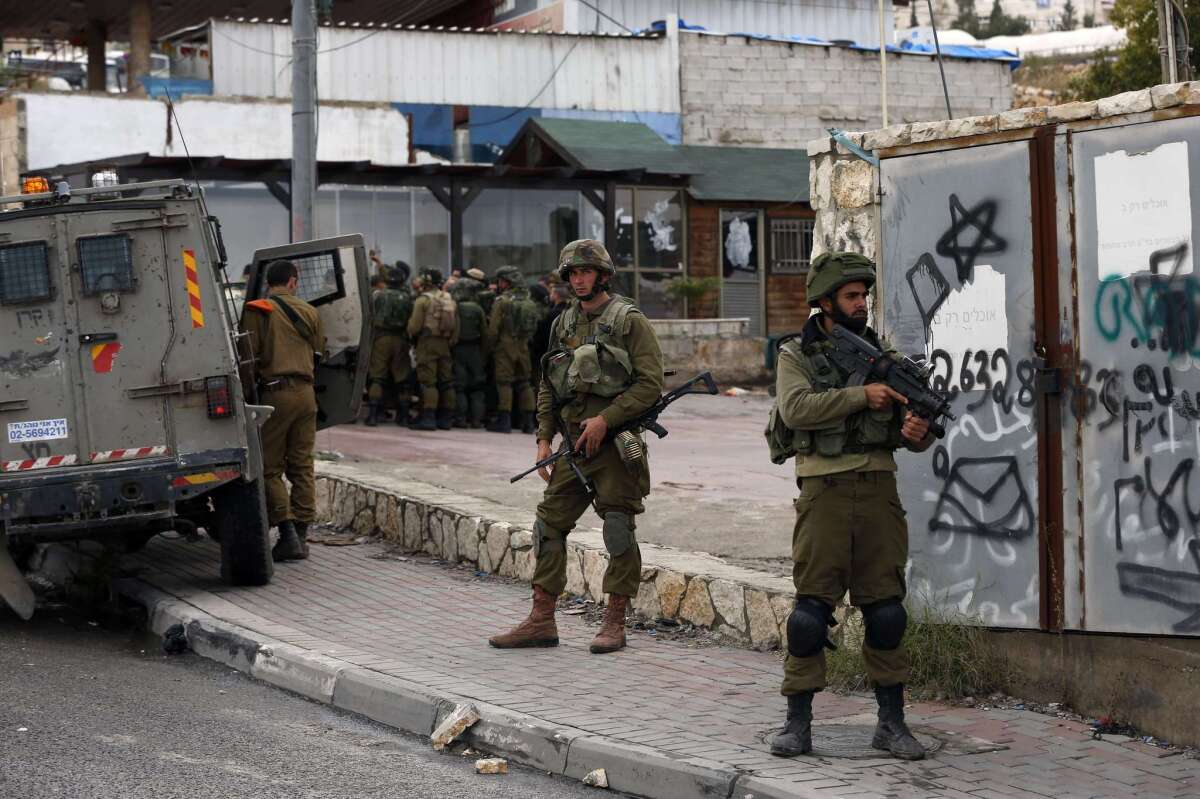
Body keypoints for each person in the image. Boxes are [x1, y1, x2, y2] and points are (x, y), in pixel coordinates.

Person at [768, 251, 933, 761]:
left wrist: (916, 432)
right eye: (852, 296)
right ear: (825, 302)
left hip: (879, 490)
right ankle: (798, 724)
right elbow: (795, 410)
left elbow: (913, 441)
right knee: (811, 613)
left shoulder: (882, 355)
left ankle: (892, 723)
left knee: (886, 611)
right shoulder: (795, 354)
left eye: (865, 295)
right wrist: (863, 396)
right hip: (825, 493)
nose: (862, 304)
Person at [488, 240, 664, 654]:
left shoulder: (628, 320)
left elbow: (650, 384)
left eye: (585, 272)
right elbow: (549, 384)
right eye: (571, 273)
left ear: (603, 275)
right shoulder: (563, 322)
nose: (578, 279)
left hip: (615, 446)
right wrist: (543, 438)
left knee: (617, 529)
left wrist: (607, 419)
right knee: (548, 526)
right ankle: (541, 620)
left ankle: (614, 623)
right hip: (572, 447)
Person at [241, 259, 326, 562]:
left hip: (276, 395)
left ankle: (287, 532)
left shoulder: (257, 309)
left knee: (269, 467)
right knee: (302, 464)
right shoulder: (310, 311)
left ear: (269, 282)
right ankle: (302, 536)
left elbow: (248, 358)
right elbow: (319, 349)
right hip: (306, 394)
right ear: (293, 281)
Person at [486, 266, 541, 434]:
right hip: (523, 347)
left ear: (507, 282)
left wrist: (490, 347)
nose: (500, 284)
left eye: (501, 281)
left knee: (504, 383)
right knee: (525, 383)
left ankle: (505, 421)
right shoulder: (529, 301)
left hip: (505, 347)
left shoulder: (502, 301)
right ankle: (529, 423)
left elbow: (493, 329)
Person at [407, 267, 459, 431]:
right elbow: (456, 327)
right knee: (446, 381)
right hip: (445, 344)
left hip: (427, 343)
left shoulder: (423, 300)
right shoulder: (449, 298)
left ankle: (428, 418)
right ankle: (446, 419)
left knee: (428, 382)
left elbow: (414, 327)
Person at [364, 268, 413, 426]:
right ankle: (404, 416)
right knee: (402, 378)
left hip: (380, 339)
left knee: (377, 377)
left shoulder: (378, 295)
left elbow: (369, 315)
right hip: (401, 339)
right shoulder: (407, 297)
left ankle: (372, 415)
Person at [451, 274, 488, 428]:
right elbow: (485, 333)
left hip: (458, 349)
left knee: (460, 386)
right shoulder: (477, 308)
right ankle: (477, 420)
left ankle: (460, 419)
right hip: (475, 350)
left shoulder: (455, 307)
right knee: (477, 387)